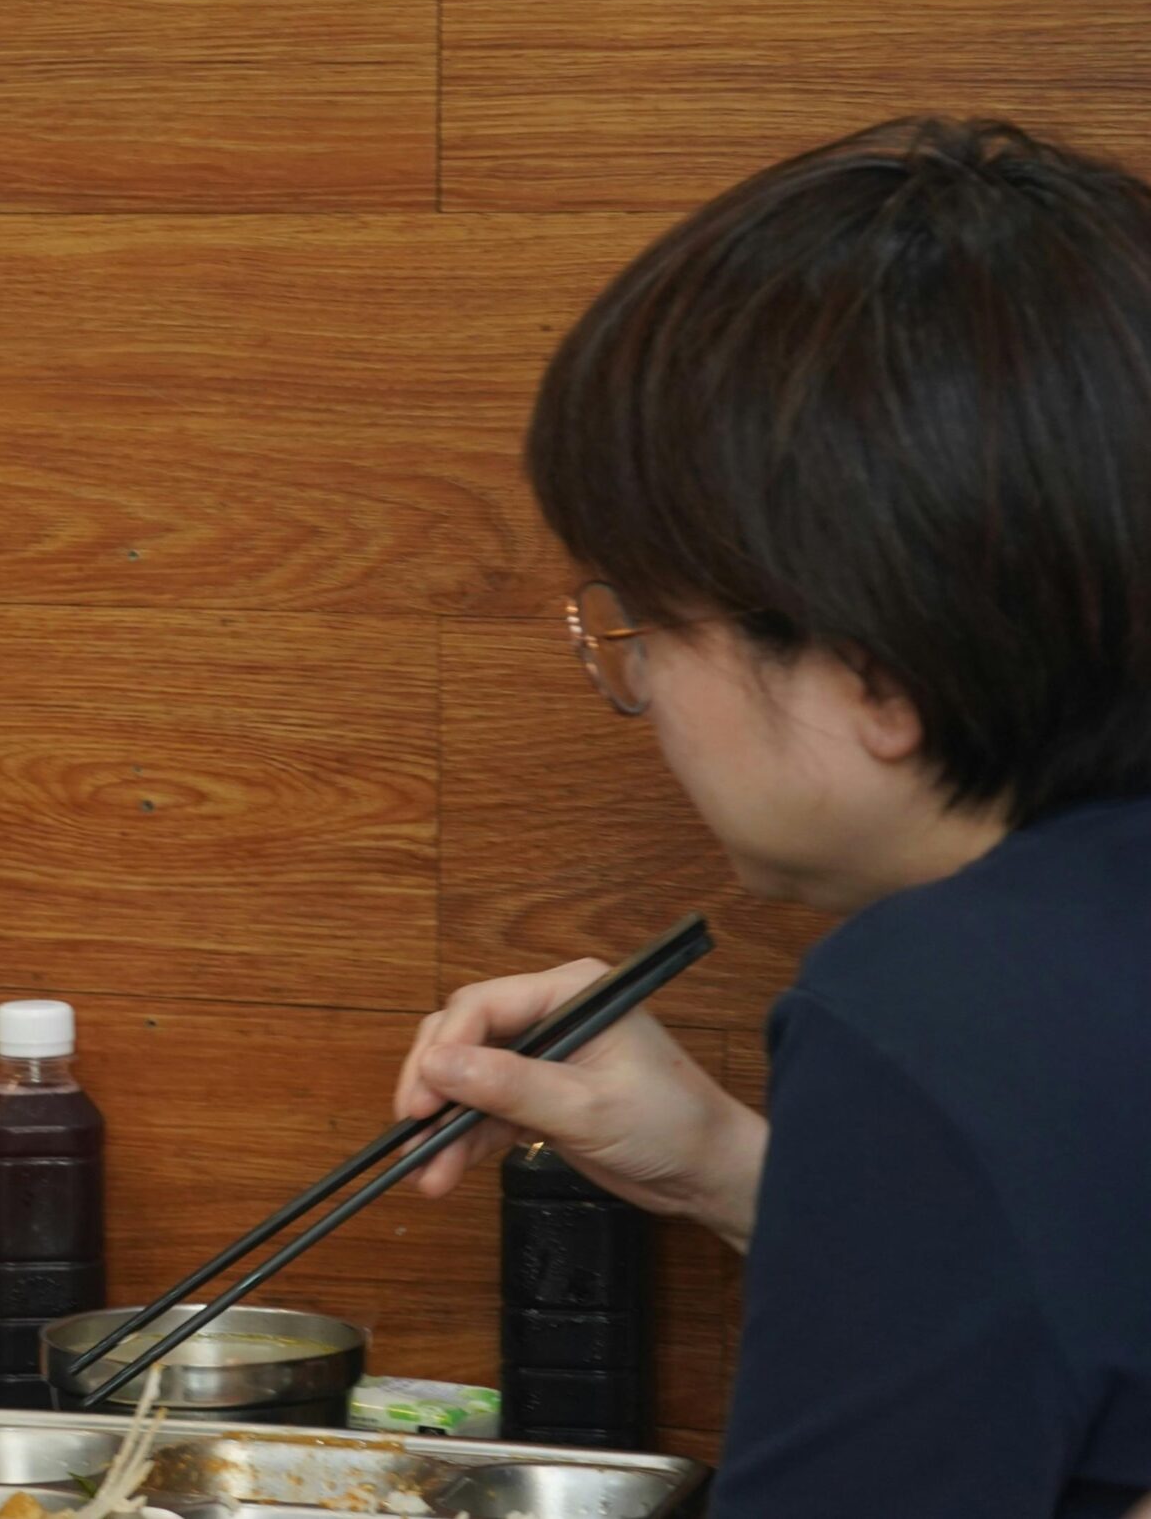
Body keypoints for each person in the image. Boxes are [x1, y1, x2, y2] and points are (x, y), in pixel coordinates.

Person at [391, 118, 1151, 1516]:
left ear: (877, 674)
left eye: (641, 618)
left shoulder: (934, 1004)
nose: (635, 686)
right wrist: (736, 1170)